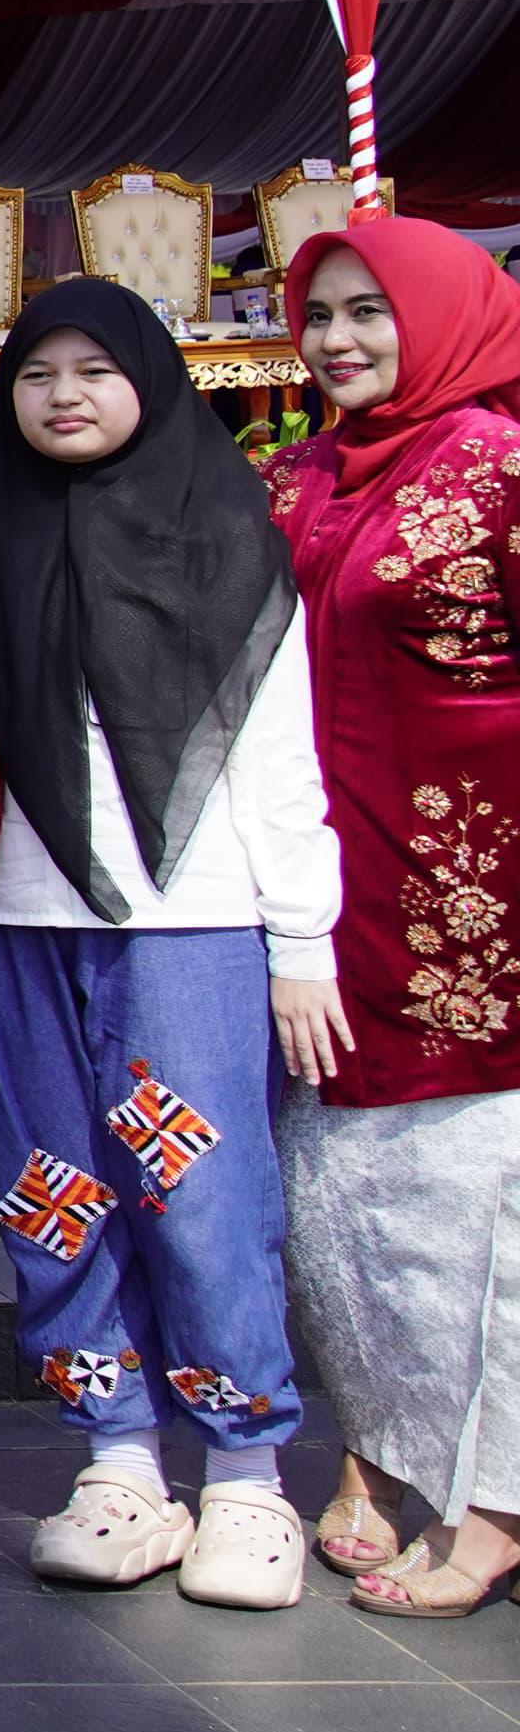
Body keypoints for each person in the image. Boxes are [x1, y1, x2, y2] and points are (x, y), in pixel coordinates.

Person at [0, 282, 333, 1611]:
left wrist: (303, 936)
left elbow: (276, 748)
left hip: (190, 917)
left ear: (152, 376)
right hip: (12, 915)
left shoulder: (226, 534)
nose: (66, 392)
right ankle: (119, 1457)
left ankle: (250, 1473)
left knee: (202, 1192)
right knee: (54, 1188)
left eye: (97, 367)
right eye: (39, 371)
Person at [263, 219, 520, 1618]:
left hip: (484, 904)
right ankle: (376, 1455)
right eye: (324, 314)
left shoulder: (501, 462)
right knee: (347, 1199)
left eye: (375, 312)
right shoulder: (296, 476)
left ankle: (493, 1501)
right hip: (328, 895)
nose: (343, 338)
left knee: (485, 1208)